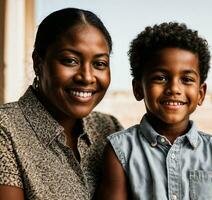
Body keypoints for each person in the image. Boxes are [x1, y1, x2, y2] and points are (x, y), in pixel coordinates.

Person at [96, 22, 212, 200]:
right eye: (160, 78)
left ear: (201, 93)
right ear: (138, 89)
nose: (174, 88)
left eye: (186, 79)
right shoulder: (120, 151)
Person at [0, 8, 123, 200]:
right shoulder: (6, 128)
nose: (87, 77)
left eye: (99, 64)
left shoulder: (108, 128)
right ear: (38, 63)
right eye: (70, 61)